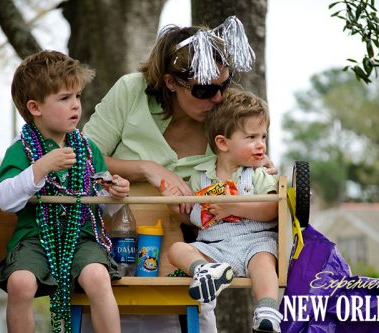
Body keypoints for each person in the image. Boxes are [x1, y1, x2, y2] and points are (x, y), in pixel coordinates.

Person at [83, 16, 261, 332]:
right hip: (113, 259)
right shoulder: (130, 91)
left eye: (225, 84)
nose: (218, 98)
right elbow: (83, 156)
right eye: (205, 89)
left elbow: (248, 166)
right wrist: (146, 168)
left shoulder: (228, 115)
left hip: (184, 268)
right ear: (170, 82)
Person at [0, 50, 130, 333]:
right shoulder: (21, 150)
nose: (76, 106)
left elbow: (105, 206)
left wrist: (115, 194)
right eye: (64, 98)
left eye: (78, 97)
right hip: (35, 238)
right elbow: (5, 198)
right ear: (35, 108)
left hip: (81, 236)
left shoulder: (88, 150)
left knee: (97, 276)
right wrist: (40, 168)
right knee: (20, 283)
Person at [161, 88, 283, 333]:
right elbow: (197, 220)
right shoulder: (200, 176)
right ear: (223, 143)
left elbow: (271, 209)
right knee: (177, 250)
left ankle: (267, 312)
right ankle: (205, 271)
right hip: (214, 246)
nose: (260, 145)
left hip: (254, 241)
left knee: (264, 264)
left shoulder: (259, 173)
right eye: (251, 137)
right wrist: (177, 208)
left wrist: (233, 205)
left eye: (263, 136)